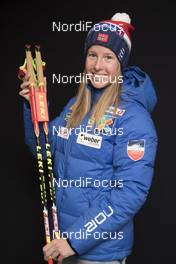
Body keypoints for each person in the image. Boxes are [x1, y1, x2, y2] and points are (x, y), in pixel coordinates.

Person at [19, 12, 158, 264]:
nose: (97, 65)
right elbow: (44, 152)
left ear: (120, 65)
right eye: (92, 55)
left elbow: (131, 192)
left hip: (98, 253)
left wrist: (75, 239)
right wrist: (33, 108)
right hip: (62, 243)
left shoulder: (134, 119)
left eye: (108, 57)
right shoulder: (76, 106)